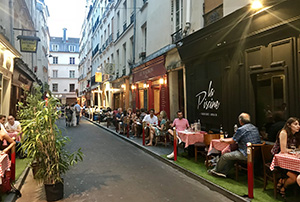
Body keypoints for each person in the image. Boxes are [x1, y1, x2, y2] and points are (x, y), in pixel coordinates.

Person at [208, 113, 261, 178]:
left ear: (240, 121)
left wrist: (223, 140)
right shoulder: (254, 128)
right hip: (256, 154)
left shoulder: (241, 129)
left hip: (245, 154)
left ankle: (216, 171)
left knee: (225, 156)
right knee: (231, 156)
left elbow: (232, 141)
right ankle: (223, 172)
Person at [271, 117, 300, 198]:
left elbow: (298, 148)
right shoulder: (284, 132)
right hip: (279, 160)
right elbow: (283, 150)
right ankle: (283, 187)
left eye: (299, 124)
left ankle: (281, 182)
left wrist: (294, 150)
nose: (298, 126)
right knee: (294, 178)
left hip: (291, 160)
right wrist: (293, 150)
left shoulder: (297, 134)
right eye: (295, 124)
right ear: (289, 125)